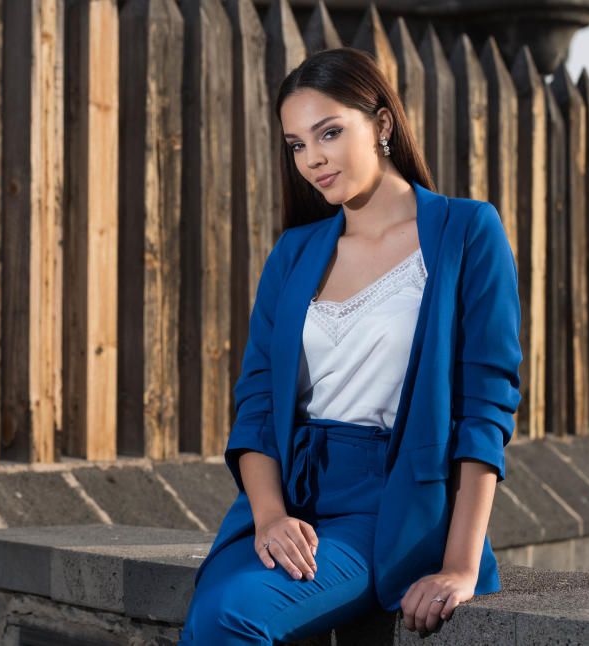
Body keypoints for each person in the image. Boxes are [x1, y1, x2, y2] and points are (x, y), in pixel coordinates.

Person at [177, 47, 523, 644]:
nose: (312, 160)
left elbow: (484, 408)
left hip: (389, 509)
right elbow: (257, 405)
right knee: (211, 615)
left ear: (382, 124)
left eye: (329, 133)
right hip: (291, 503)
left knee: (231, 616)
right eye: (296, 145)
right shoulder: (295, 252)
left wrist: (460, 566)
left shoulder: (467, 231)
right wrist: (270, 517)